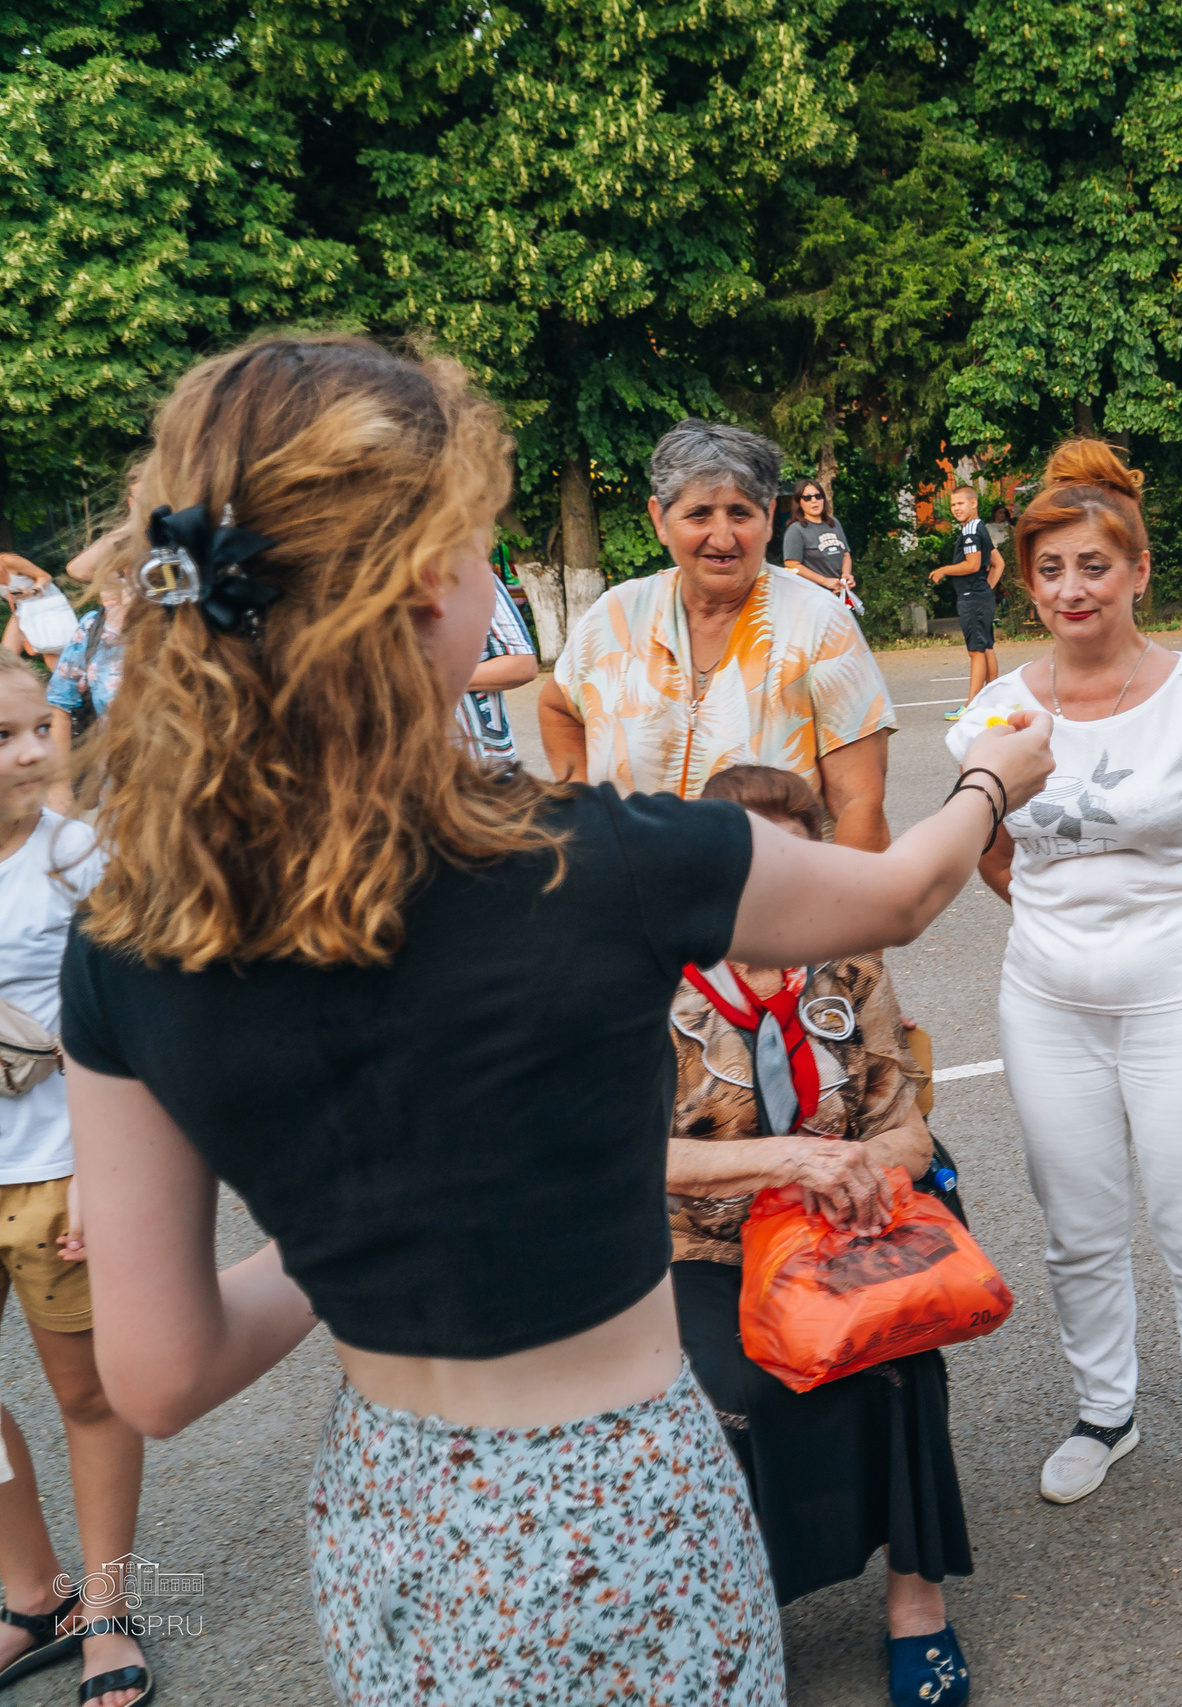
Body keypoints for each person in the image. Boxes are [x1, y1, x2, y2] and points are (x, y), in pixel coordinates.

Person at [55, 333, 1053, 1705]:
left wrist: (349, 1226)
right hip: (623, 1507)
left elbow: (157, 1375)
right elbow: (897, 889)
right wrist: (995, 776)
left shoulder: (130, 939)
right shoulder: (607, 861)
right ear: (425, 583)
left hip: (392, 1521)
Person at [945, 438, 1182, 1522]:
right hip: (1047, 1003)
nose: (1070, 589)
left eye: (1092, 566)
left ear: (1138, 572)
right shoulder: (997, 709)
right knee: (1077, 1222)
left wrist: (1177, 929)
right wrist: (1068, 926)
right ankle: (1106, 1409)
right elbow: (990, 851)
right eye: (1048, 569)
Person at [665, 763, 974, 1706]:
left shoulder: (851, 962)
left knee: (898, 1345)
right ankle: (733, 1609)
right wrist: (793, 1161)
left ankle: (915, 1603)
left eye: (791, 860)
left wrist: (862, 1178)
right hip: (696, 1243)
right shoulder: (643, 977)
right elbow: (617, 1157)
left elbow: (906, 1122)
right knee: (734, 1385)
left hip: (834, 1222)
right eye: (745, 859)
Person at [537, 419, 898, 849]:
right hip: (636, 900)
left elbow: (859, 802)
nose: (722, 537)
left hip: (775, 902)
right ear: (660, 519)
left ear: (768, 520)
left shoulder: (819, 624)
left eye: (740, 513)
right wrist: (589, 810)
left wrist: (841, 912)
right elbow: (558, 706)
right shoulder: (616, 615)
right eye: (699, 514)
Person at [0, 659, 145, 1707]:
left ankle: (106, 1610)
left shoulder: (77, 858)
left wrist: (106, 1168)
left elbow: (136, 1023)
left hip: (57, 1171)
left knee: (88, 1396)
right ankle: (30, 1592)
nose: (21, 754)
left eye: (28, 730)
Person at [930, 484, 1004, 720]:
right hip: (980, 596)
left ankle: (972, 707)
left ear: (974, 503)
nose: (955, 509)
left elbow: (972, 565)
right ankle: (991, 703)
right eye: (952, 505)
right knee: (986, 647)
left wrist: (944, 570)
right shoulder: (978, 527)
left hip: (973, 599)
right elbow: (998, 563)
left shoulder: (971, 531)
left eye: (960, 503)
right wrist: (986, 590)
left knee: (976, 651)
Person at [453, 568, 538, 770]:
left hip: (484, 762)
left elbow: (523, 664)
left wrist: (435, 679)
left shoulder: (476, 580)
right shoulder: (371, 589)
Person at [47, 575, 128, 738]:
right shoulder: (93, 626)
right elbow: (59, 703)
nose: (110, 597)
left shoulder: (175, 622)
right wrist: (61, 764)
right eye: (107, 599)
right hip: (113, 752)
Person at [782, 479, 858, 606]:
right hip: (812, 600)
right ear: (799, 502)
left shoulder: (834, 523)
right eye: (807, 498)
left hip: (839, 596)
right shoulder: (796, 529)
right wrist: (825, 581)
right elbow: (791, 564)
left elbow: (846, 554)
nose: (814, 501)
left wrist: (846, 575)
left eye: (818, 496)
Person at [0, 560, 77, 672]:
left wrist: (32, 591)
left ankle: (77, 684)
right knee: (7, 654)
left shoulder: (8, 561)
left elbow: (45, 576)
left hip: (47, 604)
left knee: (51, 652)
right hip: (25, 609)